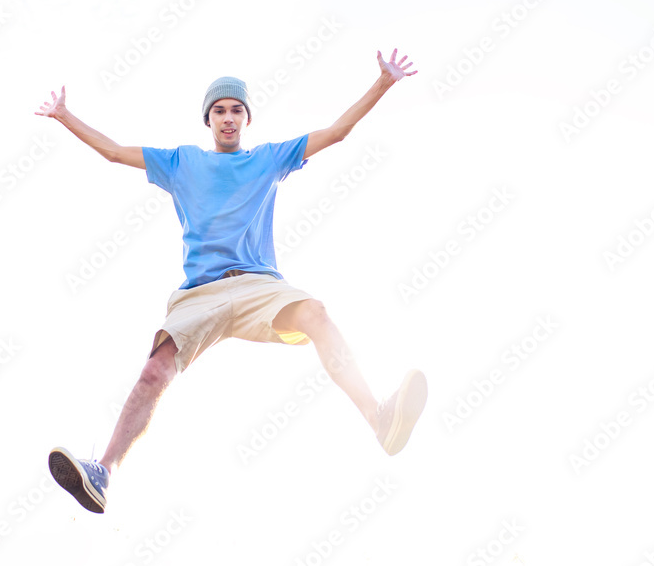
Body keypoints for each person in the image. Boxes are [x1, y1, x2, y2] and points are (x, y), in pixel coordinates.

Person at [36, 49, 425, 514]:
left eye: (235, 109)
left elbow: (336, 133)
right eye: (218, 110)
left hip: (261, 286)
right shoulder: (180, 162)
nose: (227, 117)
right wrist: (63, 115)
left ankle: (380, 419)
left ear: (246, 117)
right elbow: (114, 152)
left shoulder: (269, 159)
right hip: (201, 291)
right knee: (153, 371)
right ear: (208, 119)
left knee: (316, 314)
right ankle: (104, 471)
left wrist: (383, 82)